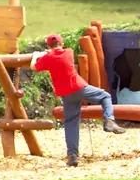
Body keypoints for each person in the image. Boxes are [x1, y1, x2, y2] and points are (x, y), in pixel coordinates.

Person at [30, 33, 126, 167]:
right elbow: (58, 53)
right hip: (79, 87)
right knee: (105, 96)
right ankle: (109, 121)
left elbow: (34, 66)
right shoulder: (69, 52)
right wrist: (50, 52)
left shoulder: (48, 58)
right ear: (61, 44)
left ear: (48, 46)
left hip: (66, 94)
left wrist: (36, 55)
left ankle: (72, 156)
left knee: (70, 123)